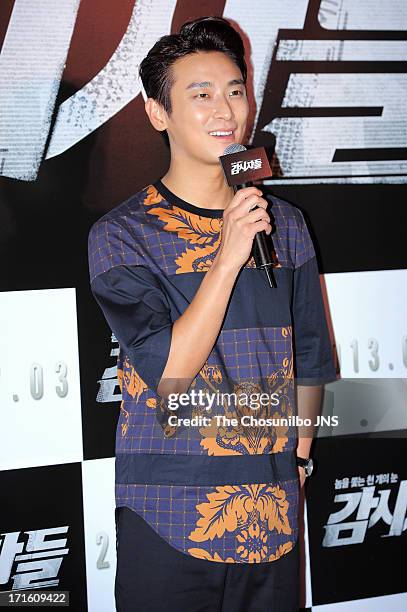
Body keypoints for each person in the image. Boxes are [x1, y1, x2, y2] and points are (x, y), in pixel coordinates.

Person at [87, 16, 336, 612]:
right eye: (199, 95)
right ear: (157, 113)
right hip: (169, 516)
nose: (224, 110)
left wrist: (298, 458)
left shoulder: (286, 225)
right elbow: (170, 370)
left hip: (273, 514)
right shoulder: (123, 235)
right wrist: (226, 259)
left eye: (234, 90)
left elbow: (310, 359)